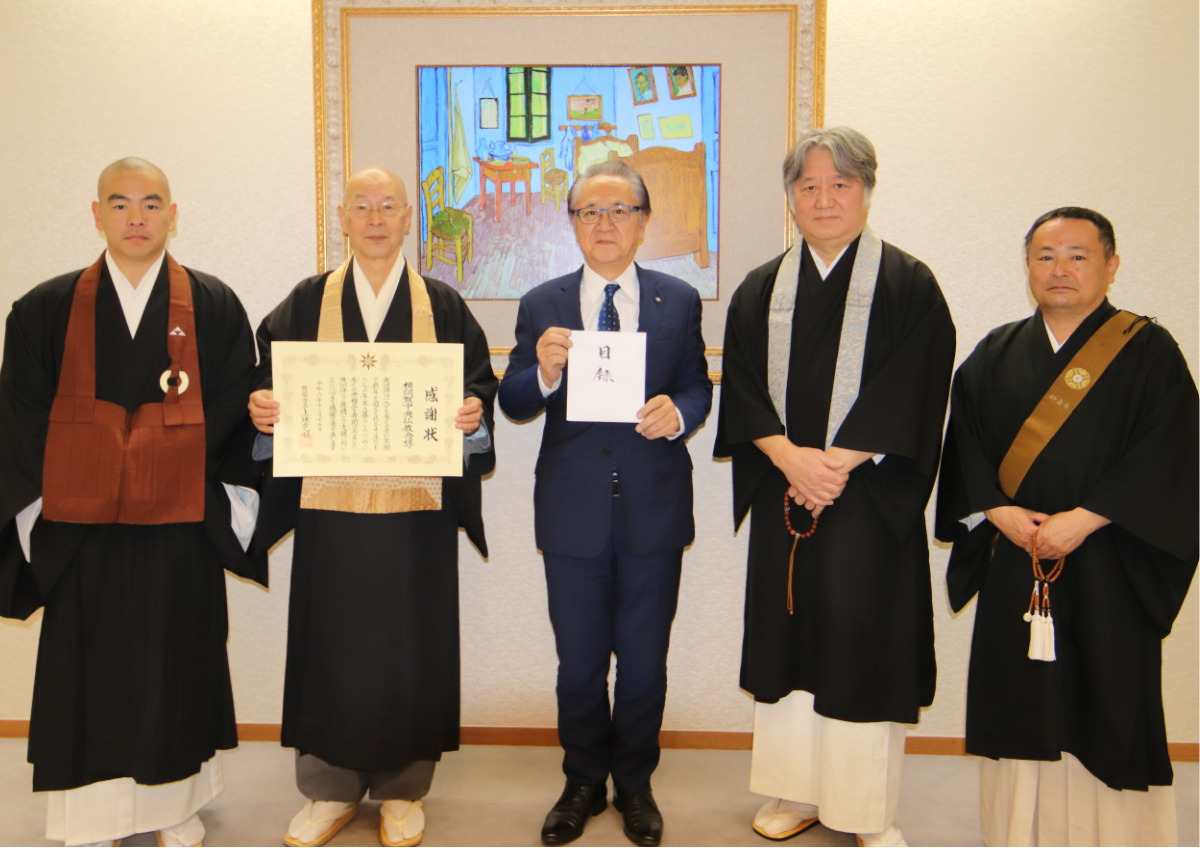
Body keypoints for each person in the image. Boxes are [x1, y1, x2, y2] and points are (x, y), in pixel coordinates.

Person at [0, 157, 261, 847]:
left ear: (174, 214)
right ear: (96, 215)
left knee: (178, 655)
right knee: (89, 664)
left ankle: (173, 807)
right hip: (82, 525)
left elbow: (236, 399)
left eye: (151, 203)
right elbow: (21, 414)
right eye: (120, 204)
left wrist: (163, 461)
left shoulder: (212, 305)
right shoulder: (44, 309)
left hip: (178, 517)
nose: (136, 217)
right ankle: (89, 816)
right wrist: (50, 504)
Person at [714, 127, 955, 847]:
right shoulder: (762, 288)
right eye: (809, 186)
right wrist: (791, 461)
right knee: (789, 639)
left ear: (867, 190)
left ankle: (861, 808)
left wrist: (834, 465)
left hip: (868, 500)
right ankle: (796, 791)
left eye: (840, 184)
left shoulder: (910, 284)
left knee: (861, 644)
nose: (824, 199)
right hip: (789, 493)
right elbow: (745, 392)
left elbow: (914, 385)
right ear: (790, 197)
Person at [248, 165, 496, 848]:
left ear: (409, 215)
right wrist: (263, 408)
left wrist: (473, 417)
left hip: (416, 516)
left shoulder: (442, 305)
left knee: (412, 643)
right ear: (343, 218)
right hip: (331, 516)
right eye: (363, 206)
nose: (377, 217)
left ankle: (402, 790)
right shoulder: (305, 303)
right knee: (331, 639)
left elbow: (478, 388)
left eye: (389, 205)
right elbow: (266, 380)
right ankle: (327, 789)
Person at [935, 207, 1197, 846]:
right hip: (1017, 556)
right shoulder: (994, 353)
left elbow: (1171, 448)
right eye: (1046, 255)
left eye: (1078, 255)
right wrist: (997, 512)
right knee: (1018, 696)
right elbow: (965, 445)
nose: (1060, 269)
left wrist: (1084, 519)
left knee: (1108, 695)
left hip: (1112, 556)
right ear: (1027, 266)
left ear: (1110, 265)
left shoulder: (1149, 351)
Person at [499, 159, 712, 847]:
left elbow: (698, 389)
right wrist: (547, 372)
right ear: (572, 224)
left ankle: (637, 784)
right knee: (580, 663)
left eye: (621, 210)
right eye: (591, 211)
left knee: (646, 661)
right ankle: (583, 780)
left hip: (653, 507)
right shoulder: (543, 303)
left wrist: (676, 414)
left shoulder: (679, 301)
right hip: (572, 513)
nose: (606, 223)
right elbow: (513, 399)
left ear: (645, 223)